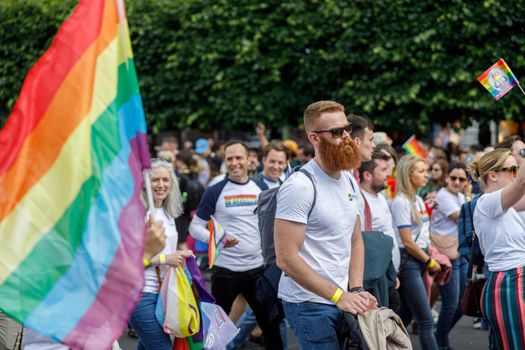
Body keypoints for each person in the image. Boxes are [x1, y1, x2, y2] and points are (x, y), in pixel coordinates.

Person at [275, 100, 377, 350]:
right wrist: (338, 295)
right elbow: (286, 258)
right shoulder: (300, 186)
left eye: (346, 129)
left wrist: (356, 288)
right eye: (336, 132)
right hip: (308, 303)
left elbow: (355, 239)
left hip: (343, 297)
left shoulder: (349, 180)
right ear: (314, 138)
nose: (345, 137)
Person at [189, 141, 283, 349]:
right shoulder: (215, 190)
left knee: (271, 325)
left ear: (248, 159)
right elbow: (194, 227)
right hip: (226, 272)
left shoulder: (261, 187)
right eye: (229, 158)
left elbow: (271, 224)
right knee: (216, 330)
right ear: (225, 161)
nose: (234, 163)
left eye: (238, 158)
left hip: (257, 271)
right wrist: (219, 239)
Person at [130, 158, 193, 350]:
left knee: (148, 345)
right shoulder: (137, 213)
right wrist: (167, 258)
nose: (161, 185)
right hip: (140, 294)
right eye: (155, 180)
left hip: (163, 293)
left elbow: (167, 250)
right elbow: (128, 262)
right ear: (144, 183)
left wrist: (180, 254)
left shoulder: (167, 213)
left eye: (166, 180)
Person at [469, 148, 525, 350]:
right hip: (508, 282)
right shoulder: (486, 202)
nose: (516, 173)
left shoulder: (506, 206)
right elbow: (521, 183)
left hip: (514, 279)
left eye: (517, 168)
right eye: (512, 169)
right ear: (492, 175)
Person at [392, 155, 440, 350]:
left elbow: (421, 235)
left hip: (419, 258)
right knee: (426, 321)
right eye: (421, 171)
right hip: (409, 262)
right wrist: (429, 261)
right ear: (408, 174)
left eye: (426, 171)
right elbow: (407, 242)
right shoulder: (401, 202)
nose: (426, 175)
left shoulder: (418, 199)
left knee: (404, 316)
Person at [430, 163, 470, 349]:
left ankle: (439, 336)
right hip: (447, 256)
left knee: (462, 303)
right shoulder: (444, 196)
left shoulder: (460, 196)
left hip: (459, 254)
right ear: (447, 177)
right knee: (451, 304)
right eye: (453, 177)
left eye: (461, 179)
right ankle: (440, 342)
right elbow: (461, 218)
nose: (456, 181)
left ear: (466, 182)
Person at [358, 149, 401, 312]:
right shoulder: (359, 200)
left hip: (387, 273)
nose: (388, 174)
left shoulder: (381, 198)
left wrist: (393, 273)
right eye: (383, 170)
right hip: (373, 278)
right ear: (368, 175)